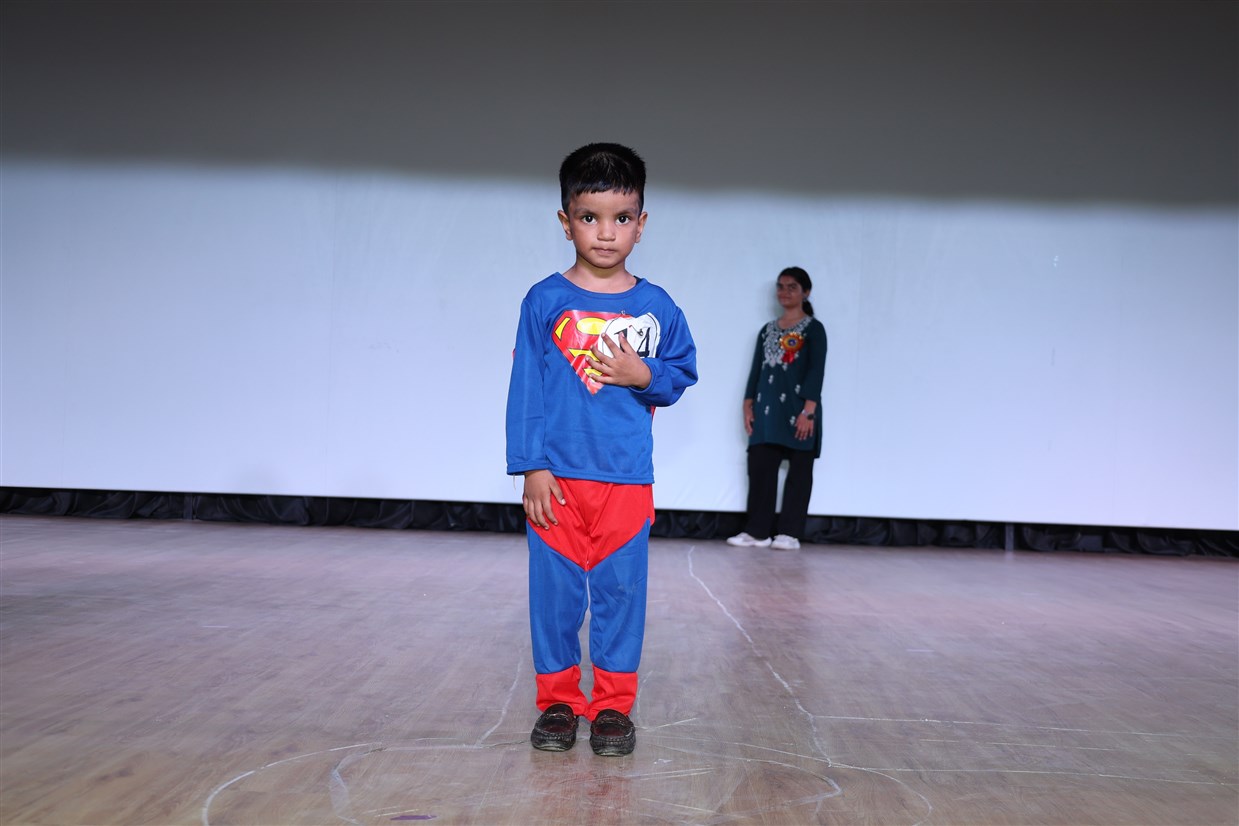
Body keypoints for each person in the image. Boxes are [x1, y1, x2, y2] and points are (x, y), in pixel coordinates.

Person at [505, 143, 698, 756]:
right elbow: (526, 389)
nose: (606, 232)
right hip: (557, 482)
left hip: (625, 481)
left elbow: (681, 373)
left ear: (642, 223)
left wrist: (644, 375)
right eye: (590, 217)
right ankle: (558, 704)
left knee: (620, 595)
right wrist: (531, 466)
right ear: (566, 222)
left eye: (622, 218)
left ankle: (613, 708)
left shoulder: (656, 306)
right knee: (555, 598)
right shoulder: (543, 301)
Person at [727, 266, 827, 551]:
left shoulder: (814, 329)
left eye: (792, 287)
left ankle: (789, 533)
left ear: (806, 292)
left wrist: (809, 410)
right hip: (767, 408)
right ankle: (757, 531)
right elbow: (757, 369)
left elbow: (816, 371)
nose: (785, 292)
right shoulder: (767, 330)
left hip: (800, 409)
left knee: (799, 472)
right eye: (781, 287)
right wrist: (748, 403)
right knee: (761, 467)